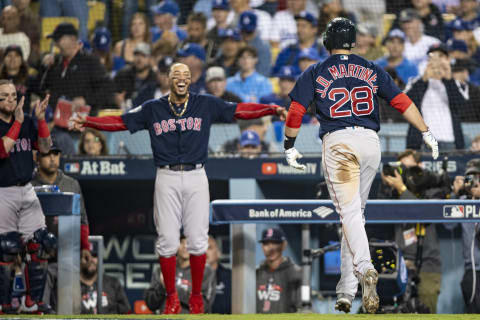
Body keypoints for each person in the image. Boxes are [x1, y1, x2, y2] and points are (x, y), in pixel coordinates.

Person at [69, 62, 287, 314]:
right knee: (168, 241)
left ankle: (195, 297)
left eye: (186, 75)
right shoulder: (153, 108)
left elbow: (240, 110)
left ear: (191, 79)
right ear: (168, 79)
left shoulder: (204, 103)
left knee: (197, 239)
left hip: (196, 174)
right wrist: (89, 123)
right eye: (176, 75)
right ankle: (171, 296)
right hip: (166, 175)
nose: (182, 79)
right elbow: (120, 122)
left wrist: (270, 108)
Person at [282, 17, 439, 314]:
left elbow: (296, 111)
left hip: (339, 143)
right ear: (352, 41)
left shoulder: (316, 70)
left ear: (328, 40)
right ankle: (346, 290)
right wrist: (426, 131)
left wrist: (289, 146)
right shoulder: (370, 67)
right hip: (370, 143)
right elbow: (401, 101)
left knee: (350, 215)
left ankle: (366, 267)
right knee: (353, 218)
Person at [0, 81, 54, 314]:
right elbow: (2, 150)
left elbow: (45, 147)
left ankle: (34, 302)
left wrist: (40, 120)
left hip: (27, 188)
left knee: (42, 243)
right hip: (3, 191)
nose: (11, 99)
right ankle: (4, 304)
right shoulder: (15, 121)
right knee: (7, 249)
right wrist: (19, 122)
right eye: (5, 96)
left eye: (14, 95)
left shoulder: (27, 120)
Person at [380, 149, 442, 313]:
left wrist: (401, 188)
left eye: (410, 168)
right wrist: (386, 183)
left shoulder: (431, 189)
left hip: (428, 267)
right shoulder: (395, 193)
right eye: (402, 169)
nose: (406, 173)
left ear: (420, 167)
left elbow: (423, 214)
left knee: (426, 312)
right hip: (401, 266)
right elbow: (378, 212)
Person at [36, 22, 115, 115]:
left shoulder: (90, 61)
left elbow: (108, 89)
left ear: (72, 39)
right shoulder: (55, 63)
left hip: (81, 123)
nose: (56, 44)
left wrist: (86, 99)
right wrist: (44, 67)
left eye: (58, 40)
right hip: (56, 121)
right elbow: (41, 89)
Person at [406, 44, 466, 151]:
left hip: (450, 141)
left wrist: (449, 80)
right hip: (422, 142)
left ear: (448, 60)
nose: (437, 60)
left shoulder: (457, 84)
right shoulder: (415, 82)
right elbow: (406, 106)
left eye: (441, 56)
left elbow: (462, 108)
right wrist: (424, 79)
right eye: (433, 56)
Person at [145, 235, 216, 314]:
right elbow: (151, 304)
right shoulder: (161, 269)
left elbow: (204, 306)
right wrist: (162, 288)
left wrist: (172, 288)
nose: (185, 246)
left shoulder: (206, 271)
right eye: (181, 242)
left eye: (189, 243)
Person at [256, 228, 301, 313]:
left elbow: (302, 308)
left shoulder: (295, 273)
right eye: (266, 243)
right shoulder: (256, 273)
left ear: (283, 245)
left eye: (275, 243)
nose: (270, 248)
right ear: (262, 246)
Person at [79, 246, 130, 314]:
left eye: (94, 256)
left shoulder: (113, 283)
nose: (91, 259)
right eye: (86, 256)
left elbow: (125, 312)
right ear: (79, 259)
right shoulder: (71, 287)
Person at [114, 42, 156, 111]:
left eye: (143, 55)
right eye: (137, 55)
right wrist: (119, 102)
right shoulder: (123, 74)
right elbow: (115, 96)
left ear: (150, 59)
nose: (139, 59)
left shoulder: (155, 78)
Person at [238, 11, 271, 77]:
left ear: (255, 29)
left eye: (249, 32)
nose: (246, 35)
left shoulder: (263, 47)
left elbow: (263, 73)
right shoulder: (235, 42)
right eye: (243, 31)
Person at [206, 235, 231, 314]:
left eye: (209, 248)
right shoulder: (189, 276)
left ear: (218, 253)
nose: (204, 251)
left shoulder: (230, 277)